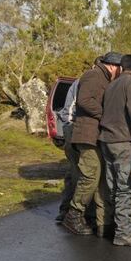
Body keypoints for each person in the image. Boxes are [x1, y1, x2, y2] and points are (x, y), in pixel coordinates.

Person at [62, 52, 122, 235]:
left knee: (100, 177)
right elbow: (84, 101)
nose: (121, 71)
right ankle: (74, 214)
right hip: (86, 135)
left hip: (96, 136)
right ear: (113, 66)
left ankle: (102, 221)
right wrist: (107, 114)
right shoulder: (93, 75)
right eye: (120, 68)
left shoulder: (104, 78)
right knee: (90, 175)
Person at [99, 55, 131, 246]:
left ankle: (120, 230)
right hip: (122, 141)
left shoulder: (113, 84)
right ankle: (123, 235)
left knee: (113, 188)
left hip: (106, 140)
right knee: (124, 189)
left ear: (122, 67)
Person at [55, 78, 80, 222]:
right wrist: (70, 127)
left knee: (74, 173)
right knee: (74, 173)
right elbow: (68, 112)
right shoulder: (81, 82)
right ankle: (67, 211)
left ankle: (66, 210)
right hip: (73, 129)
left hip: (73, 129)